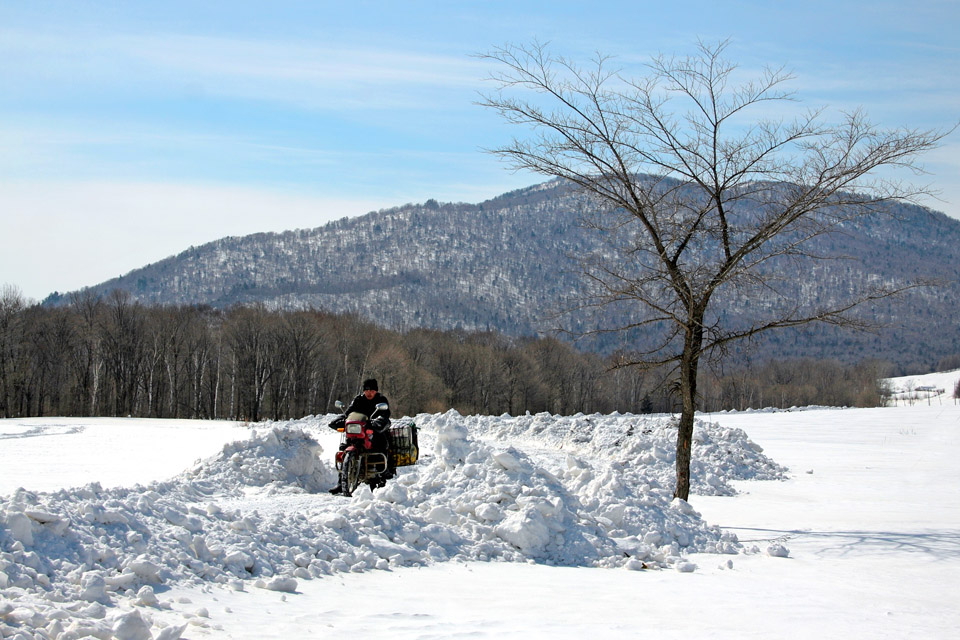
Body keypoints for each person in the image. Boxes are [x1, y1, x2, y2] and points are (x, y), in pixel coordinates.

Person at [328, 378, 393, 494]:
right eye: (367, 390)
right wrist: (340, 420)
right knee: (344, 447)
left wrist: (379, 421)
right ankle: (341, 482)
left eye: (372, 390)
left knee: (382, 443)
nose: (369, 392)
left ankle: (382, 474)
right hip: (358, 430)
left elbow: (385, 414)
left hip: (374, 429)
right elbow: (349, 412)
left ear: (376, 391)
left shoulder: (381, 400)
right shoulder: (358, 399)